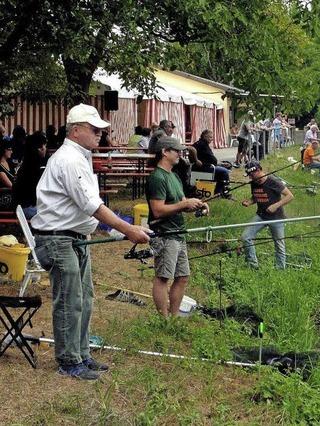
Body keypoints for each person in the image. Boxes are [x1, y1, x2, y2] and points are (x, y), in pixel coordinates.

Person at [32, 103, 150, 381]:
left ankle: (81, 353)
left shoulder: (79, 156)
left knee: (84, 298)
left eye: (101, 130)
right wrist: (128, 229)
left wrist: (115, 230)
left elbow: (88, 208)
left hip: (74, 238)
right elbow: (92, 205)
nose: (100, 134)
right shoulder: (69, 159)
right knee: (69, 301)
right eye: (94, 129)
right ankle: (68, 360)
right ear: (75, 130)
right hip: (58, 239)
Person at [147, 136, 208, 316]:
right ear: (165, 152)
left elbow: (182, 204)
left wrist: (198, 205)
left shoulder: (174, 176)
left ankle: (174, 317)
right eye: (177, 151)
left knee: (182, 277)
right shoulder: (157, 178)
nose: (180, 154)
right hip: (164, 234)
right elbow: (157, 210)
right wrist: (183, 205)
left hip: (178, 233)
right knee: (163, 277)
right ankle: (163, 320)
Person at [241, 161, 294, 269]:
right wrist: (250, 202)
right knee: (246, 237)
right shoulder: (253, 183)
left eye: (252, 174)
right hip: (261, 215)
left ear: (259, 170)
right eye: (249, 176)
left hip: (276, 217)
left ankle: (280, 268)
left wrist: (276, 205)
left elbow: (290, 196)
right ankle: (253, 265)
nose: (251, 177)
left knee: (279, 243)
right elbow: (256, 196)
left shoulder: (273, 181)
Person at [12, 131, 47, 218]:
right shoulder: (38, 166)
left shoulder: (26, 164)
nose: (46, 148)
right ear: (40, 148)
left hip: (20, 208)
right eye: (45, 145)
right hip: (29, 208)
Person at [192, 129, 230, 197]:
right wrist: (196, 160)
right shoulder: (202, 144)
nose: (212, 139)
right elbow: (190, 148)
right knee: (225, 171)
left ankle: (218, 192)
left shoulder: (201, 143)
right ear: (204, 136)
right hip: (203, 169)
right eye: (210, 137)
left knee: (225, 166)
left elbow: (210, 159)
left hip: (207, 166)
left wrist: (220, 164)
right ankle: (223, 193)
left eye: (212, 137)